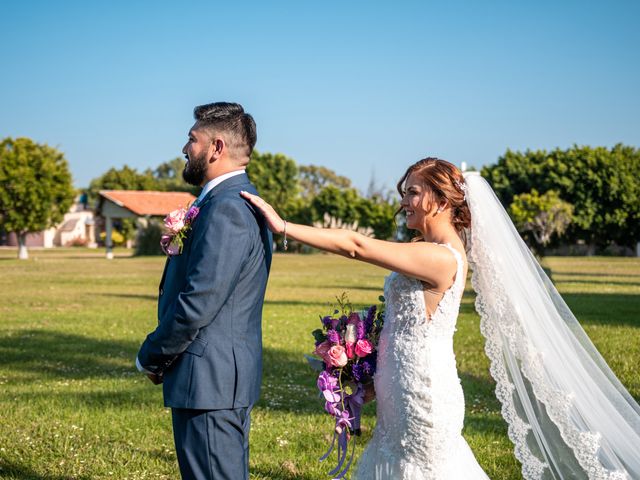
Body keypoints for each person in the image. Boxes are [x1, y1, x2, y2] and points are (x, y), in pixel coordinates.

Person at [242, 158, 640, 479]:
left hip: (424, 391)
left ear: (442, 199)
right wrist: (367, 377)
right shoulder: (425, 248)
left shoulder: (440, 256)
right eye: (405, 192)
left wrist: (283, 226)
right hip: (402, 386)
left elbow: (356, 245)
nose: (405, 201)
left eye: (413, 192)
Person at [137, 102, 272, 480]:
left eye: (191, 140)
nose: (184, 148)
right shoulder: (223, 201)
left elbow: (199, 301)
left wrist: (153, 355)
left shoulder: (227, 207)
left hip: (209, 381)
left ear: (216, 147)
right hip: (212, 381)